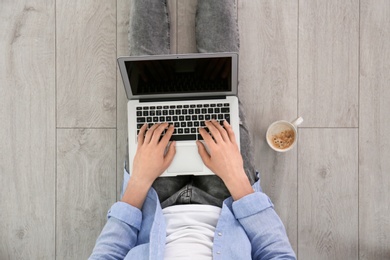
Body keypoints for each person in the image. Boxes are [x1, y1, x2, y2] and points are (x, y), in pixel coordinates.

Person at [90, 0, 296, 259]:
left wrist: (139, 180)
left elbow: (108, 254)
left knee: (147, 76)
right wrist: (237, 178)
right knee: (218, 83)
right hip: (230, 201)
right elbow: (276, 252)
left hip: (150, 201)